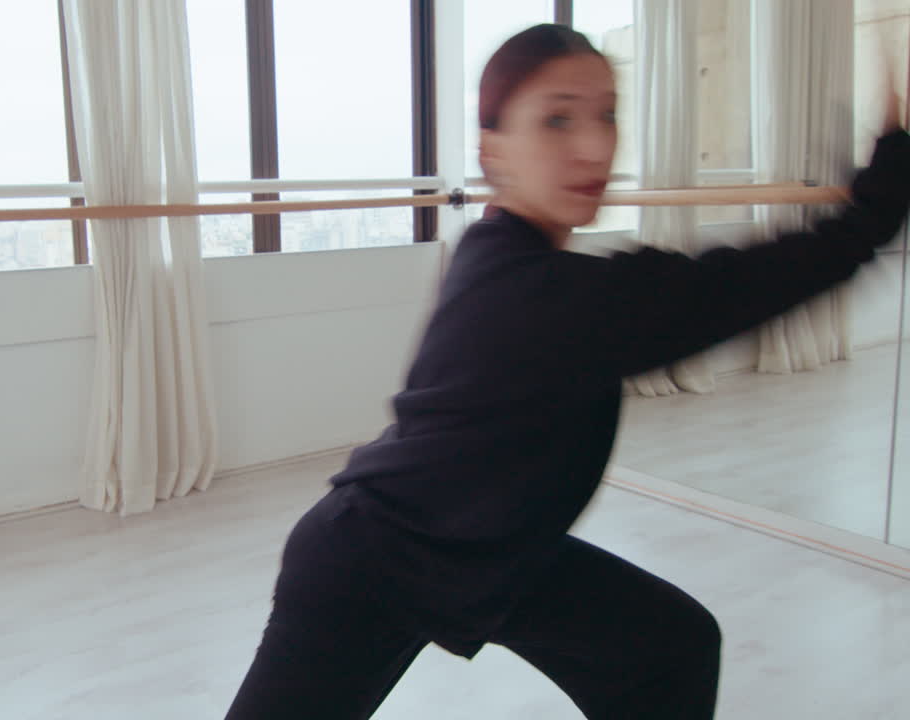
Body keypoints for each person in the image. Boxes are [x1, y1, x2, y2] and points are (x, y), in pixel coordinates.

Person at [224, 23, 910, 720]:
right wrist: (881, 198)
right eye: (557, 119)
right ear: (493, 151)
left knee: (669, 648)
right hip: (373, 562)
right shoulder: (543, 295)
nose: (594, 146)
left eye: (606, 115)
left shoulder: (497, 248)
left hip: (488, 552)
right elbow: (734, 287)